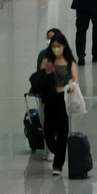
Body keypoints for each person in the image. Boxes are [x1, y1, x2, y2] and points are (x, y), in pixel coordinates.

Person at [41, 33, 79, 177]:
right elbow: (41, 77)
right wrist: (47, 73)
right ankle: (59, 152)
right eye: (54, 46)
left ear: (64, 46)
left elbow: (75, 78)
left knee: (62, 132)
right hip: (50, 97)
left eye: (59, 46)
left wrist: (73, 85)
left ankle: (58, 164)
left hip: (63, 98)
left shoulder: (70, 61)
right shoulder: (48, 60)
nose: (56, 49)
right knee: (48, 131)